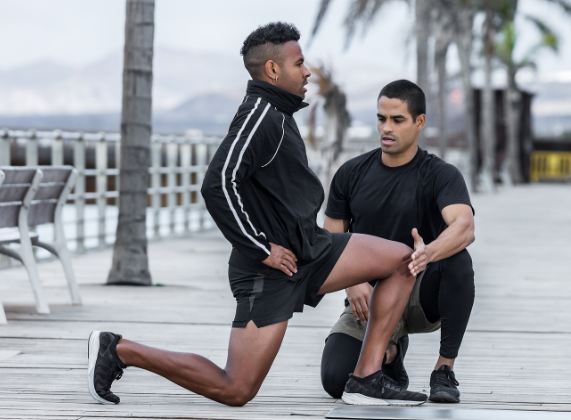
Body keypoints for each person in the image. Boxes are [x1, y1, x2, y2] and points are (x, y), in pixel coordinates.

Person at [87, 22, 428, 407]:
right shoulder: (260, 116)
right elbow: (218, 183)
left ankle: (366, 379)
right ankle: (120, 350)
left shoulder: (279, 114)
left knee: (403, 258)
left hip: (309, 250)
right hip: (270, 269)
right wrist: (260, 247)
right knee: (236, 389)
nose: (307, 71)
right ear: (272, 70)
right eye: (299, 63)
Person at [320, 80, 476, 403]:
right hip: (368, 300)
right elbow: (330, 240)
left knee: (459, 261)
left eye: (397, 119)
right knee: (336, 379)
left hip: (420, 292)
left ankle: (444, 369)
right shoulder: (350, 174)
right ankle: (390, 353)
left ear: (419, 122)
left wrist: (429, 253)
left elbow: (465, 226)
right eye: (381, 118)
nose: (386, 128)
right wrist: (353, 282)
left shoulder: (440, 175)